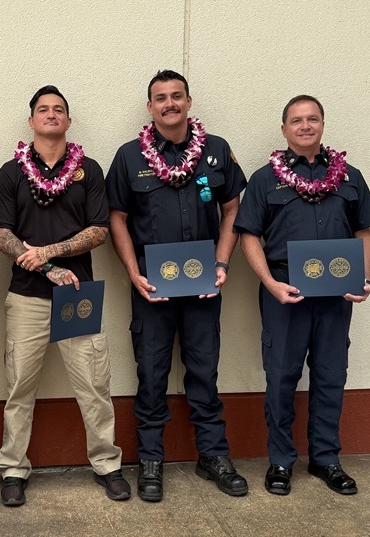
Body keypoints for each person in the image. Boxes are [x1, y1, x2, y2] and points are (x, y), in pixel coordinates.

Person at [105, 70, 248, 502]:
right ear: (149, 107)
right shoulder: (130, 156)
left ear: (189, 101)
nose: (170, 103)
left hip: (205, 287)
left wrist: (222, 263)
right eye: (160, 98)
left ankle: (213, 455)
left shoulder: (217, 150)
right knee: (151, 374)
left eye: (177, 96)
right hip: (153, 290)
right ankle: (150, 459)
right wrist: (133, 272)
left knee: (204, 371)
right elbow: (117, 219)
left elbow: (232, 211)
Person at [0, 85, 130, 506]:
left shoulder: (89, 169)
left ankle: (107, 464)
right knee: (19, 387)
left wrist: (50, 251)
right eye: (42, 109)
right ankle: (13, 469)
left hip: (78, 295)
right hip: (27, 297)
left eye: (59, 110)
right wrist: (47, 267)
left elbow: (99, 230)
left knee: (94, 384)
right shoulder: (11, 172)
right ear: (30, 120)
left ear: (68, 121)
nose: (51, 115)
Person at [234, 95, 370, 496]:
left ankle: (326, 459)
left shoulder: (350, 176)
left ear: (322, 125)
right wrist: (269, 283)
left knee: (331, 377)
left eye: (312, 119)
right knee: (281, 378)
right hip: (286, 292)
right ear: (284, 129)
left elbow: (363, 234)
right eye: (296, 120)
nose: (304, 126)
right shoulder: (265, 179)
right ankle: (281, 461)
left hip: (335, 296)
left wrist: (364, 280)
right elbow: (248, 237)